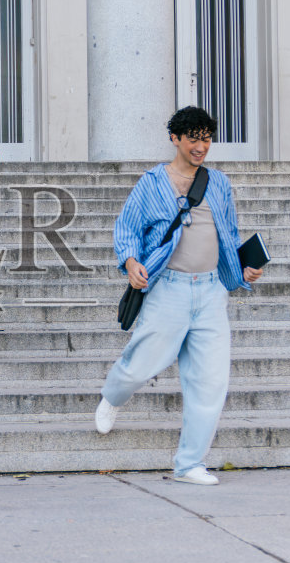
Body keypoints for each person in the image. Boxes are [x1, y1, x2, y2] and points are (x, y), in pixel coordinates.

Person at [95, 106, 264, 485]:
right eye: (193, 138)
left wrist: (244, 268)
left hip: (210, 291)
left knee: (210, 380)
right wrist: (131, 262)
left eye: (206, 138)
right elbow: (127, 228)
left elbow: (229, 234)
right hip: (168, 288)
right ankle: (113, 396)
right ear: (175, 138)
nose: (200, 146)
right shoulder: (152, 182)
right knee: (140, 364)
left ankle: (189, 464)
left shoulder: (218, 183)